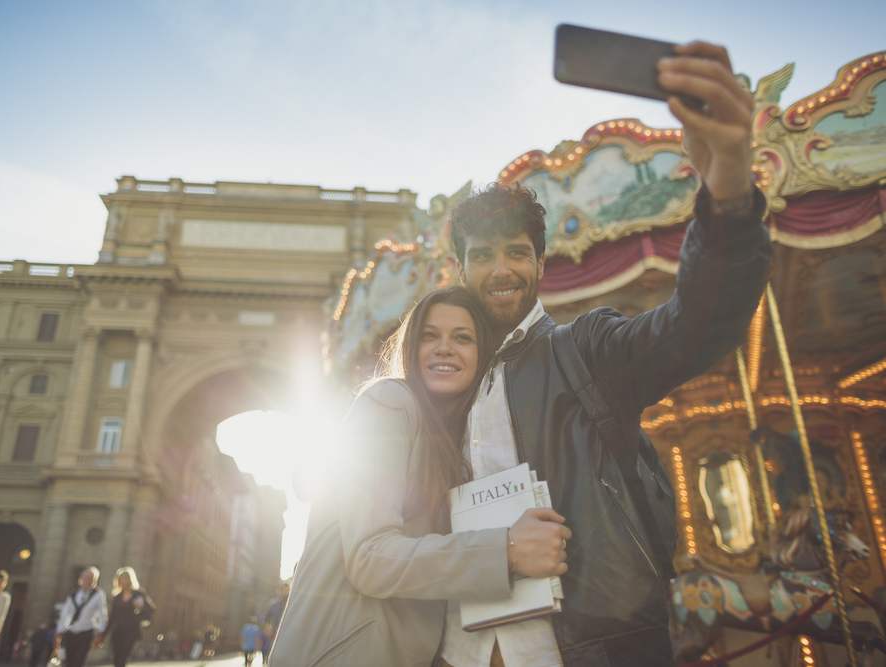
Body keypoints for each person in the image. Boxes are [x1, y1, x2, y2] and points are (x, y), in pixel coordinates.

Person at [440, 41, 771, 667]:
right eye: (481, 255)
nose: (500, 269)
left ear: (540, 263)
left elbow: (693, 326)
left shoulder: (585, 351)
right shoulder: (444, 385)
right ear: (460, 270)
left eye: (514, 251)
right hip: (463, 650)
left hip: (590, 645)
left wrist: (727, 190)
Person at [269, 286, 569, 667]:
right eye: (430, 336)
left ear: (482, 355)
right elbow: (369, 558)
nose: (444, 347)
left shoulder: (447, 439)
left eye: (463, 338)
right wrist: (507, 550)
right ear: (410, 347)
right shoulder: (388, 402)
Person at [97, 567, 155, 667]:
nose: (124, 581)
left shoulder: (138, 594)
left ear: (130, 579)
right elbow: (112, 617)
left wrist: (140, 610)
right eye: (121, 579)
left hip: (131, 631)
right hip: (118, 631)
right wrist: (103, 635)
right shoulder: (117, 597)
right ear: (118, 581)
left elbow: (150, 610)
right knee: (116, 658)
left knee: (123, 657)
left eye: (126, 579)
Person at [55, 567, 108, 667]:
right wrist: (59, 631)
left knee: (79, 661)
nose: (87, 580)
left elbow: (102, 614)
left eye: (90, 578)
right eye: (85, 577)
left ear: (94, 580)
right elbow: (65, 615)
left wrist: (101, 633)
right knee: (67, 661)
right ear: (80, 579)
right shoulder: (73, 596)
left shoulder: (98, 595)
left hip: (86, 633)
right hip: (70, 632)